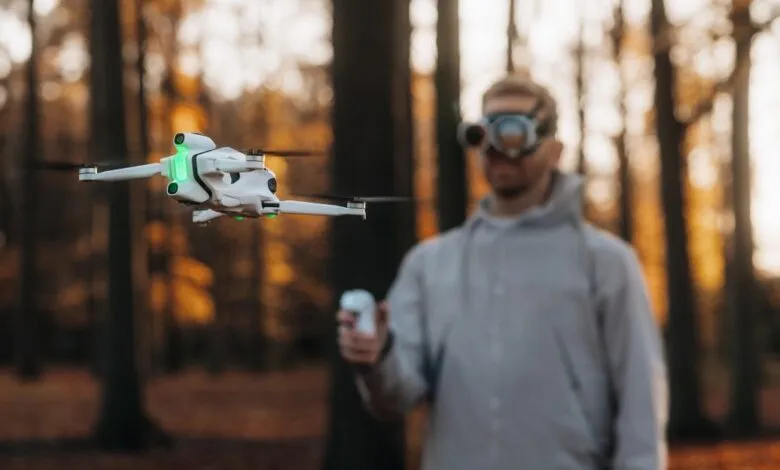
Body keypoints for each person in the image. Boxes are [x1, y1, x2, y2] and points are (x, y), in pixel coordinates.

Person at [337, 74, 668, 470]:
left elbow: (641, 407)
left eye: (513, 130)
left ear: (555, 149)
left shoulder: (606, 262)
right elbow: (395, 398)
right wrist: (377, 358)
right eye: (484, 132)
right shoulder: (430, 263)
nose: (495, 148)